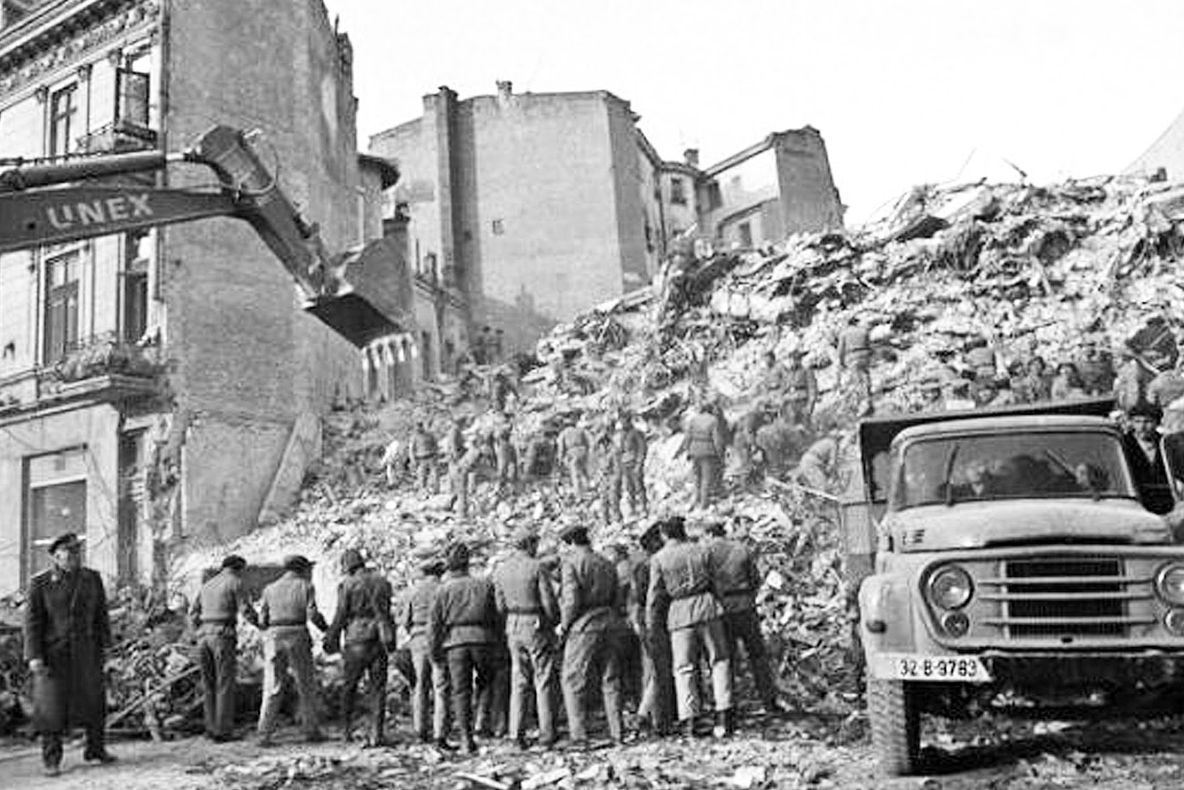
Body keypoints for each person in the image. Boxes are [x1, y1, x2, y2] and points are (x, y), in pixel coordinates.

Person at [25, 532, 115, 776]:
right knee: (51, 708)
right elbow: (33, 622)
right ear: (56, 556)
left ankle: (96, 750)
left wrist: (106, 647)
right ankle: (51, 759)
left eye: (77, 551)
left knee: (94, 702)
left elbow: (101, 616)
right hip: (54, 655)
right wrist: (34, 655)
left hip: (87, 652)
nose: (75, 556)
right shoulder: (41, 583)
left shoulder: (92, 579)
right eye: (69, 552)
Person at [646, 516, 733, 739]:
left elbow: (655, 595)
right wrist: (720, 604)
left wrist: (651, 622)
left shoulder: (659, 558)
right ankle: (724, 714)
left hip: (679, 613)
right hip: (707, 607)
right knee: (719, 660)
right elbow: (716, 582)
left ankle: (690, 720)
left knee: (684, 668)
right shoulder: (702, 550)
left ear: (665, 535)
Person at [428, 542, 500, 754]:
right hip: (483, 641)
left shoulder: (443, 590)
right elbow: (496, 617)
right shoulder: (484, 585)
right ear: (467, 562)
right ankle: (482, 723)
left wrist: (435, 653)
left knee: (461, 691)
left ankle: (467, 739)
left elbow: (434, 626)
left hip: (455, 643)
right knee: (486, 683)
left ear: (449, 566)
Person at [491, 527, 560, 750]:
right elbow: (549, 603)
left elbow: (499, 606)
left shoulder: (501, 570)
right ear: (530, 545)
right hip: (535, 624)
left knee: (518, 680)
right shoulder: (537, 567)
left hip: (513, 626)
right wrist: (553, 622)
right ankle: (547, 733)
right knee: (543, 678)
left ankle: (516, 734)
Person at [703, 522, 781, 715]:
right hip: (746, 605)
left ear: (709, 534)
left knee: (726, 658)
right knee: (757, 655)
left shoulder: (706, 553)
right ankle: (769, 701)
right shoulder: (741, 549)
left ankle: (729, 705)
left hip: (722, 609)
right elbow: (755, 579)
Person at [558, 523, 625, 746]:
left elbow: (571, 601)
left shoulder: (571, 564)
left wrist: (564, 626)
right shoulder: (606, 563)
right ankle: (617, 732)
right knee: (611, 677)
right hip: (609, 622)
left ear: (570, 543)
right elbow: (617, 598)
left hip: (583, 626)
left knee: (573, 679)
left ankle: (579, 735)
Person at [323, 549, 395, 746]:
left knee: (350, 687)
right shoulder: (382, 582)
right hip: (379, 639)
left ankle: (346, 731)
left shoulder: (347, 585)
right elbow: (387, 611)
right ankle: (376, 734)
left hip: (355, 640)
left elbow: (340, 614)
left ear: (347, 566)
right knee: (378, 688)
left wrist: (331, 637)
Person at [257, 555, 330, 746]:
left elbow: (262, 620)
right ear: (303, 569)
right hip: (297, 634)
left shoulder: (269, 589)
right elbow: (312, 614)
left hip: (274, 636)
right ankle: (311, 730)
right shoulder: (306, 586)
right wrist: (327, 630)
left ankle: (264, 733)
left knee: (272, 685)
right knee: (305, 684)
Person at [190, 554, 259, 742]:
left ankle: (210, 727)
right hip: (223, 635)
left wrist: (198, 632)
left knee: (209, 683)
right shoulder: (235, 582)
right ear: (239, 568)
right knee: (224, 683)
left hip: (203, 636)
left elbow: (193, 614)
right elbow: (246, 611)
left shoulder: (207, 585)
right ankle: (223, 731)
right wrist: (262, 625)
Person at [400, 547, 449, 745]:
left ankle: (420, 730)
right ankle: (440, 733)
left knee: (420, 684)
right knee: (441, 686)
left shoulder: (413, 591)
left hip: (418, 639)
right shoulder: (444, 589)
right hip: (440, 639)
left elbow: (405, 620)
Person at [631, 523, 675, 735]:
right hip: (655, 620)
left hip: (649, 620)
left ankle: (650, 715)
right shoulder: (651, 565)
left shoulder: (644, 564)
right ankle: (652, 717)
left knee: (653, 669)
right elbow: (645, 597)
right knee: (660, 669)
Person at [1122, 403, 1175, 515]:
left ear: (1157, 423)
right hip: (1134, 505)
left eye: (1148, 422)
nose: (1142, 427)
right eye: (1137, 422)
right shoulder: (1123, 444)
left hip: (1167, 505)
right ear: (1131, 423)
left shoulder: (1167, 444)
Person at [682, 400, 727, 509]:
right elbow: (717, 440)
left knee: (697, 477)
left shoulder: (693, 420)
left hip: (694, 450)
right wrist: (720, 454)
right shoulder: (713, 421)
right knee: (706, 478)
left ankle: (696, 499)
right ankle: (703, 504)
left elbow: (687, 437)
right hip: (708, 451)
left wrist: (687, 450)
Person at [616, 415, 649, 516]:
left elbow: (642, 449)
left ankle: (644, 507)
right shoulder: (622, 434)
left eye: (624, 420)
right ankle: (633, 509)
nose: (622, 423)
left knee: (639, 486)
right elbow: (621, 450)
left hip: (634, 463)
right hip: (625, 464)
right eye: (621, 420)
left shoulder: (636, 433)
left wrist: (639, 464)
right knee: (630, 488)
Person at [837, 316, 872, 408]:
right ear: (856, 323)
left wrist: (841, 362)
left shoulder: (844, 333)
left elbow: (840, 349)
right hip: (865, 354)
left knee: (857, 378)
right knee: (866, 374)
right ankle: (868, 394)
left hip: (852, 356)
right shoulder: (864, 331)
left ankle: (862, 401)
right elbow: (869, 345)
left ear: (848, 323)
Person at [781, 348, 818, 428]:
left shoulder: (806, 371)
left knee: (804, 428)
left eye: (796, 359)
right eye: (792, 359)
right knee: (791, 429)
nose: (793, 361)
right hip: (789, 405)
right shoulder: (787, 374)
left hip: (802, 403)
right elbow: (783, 391)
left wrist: (810, 406)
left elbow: (812, 389)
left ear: (800, 360)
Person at [557, 415, 592, 497]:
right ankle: (588, 487)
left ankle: (578, 493)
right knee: (584, 471)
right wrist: (587, 452)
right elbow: (588, 442)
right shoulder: (580, 430)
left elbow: (561, 448)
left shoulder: (564, 433)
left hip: (572, 453)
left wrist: (560, 459)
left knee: (575, 473)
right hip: (583, 452)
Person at [410, 422, 440, 494]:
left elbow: (435, 444)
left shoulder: (430, 434)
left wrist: (436, 453)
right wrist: (413, 460)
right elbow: (411, 449)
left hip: (431, 456)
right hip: (421, 459)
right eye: (416, 427)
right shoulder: (414, 437)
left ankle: (436, 490)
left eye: (419, 427)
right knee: (422, 476)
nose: (418, 428)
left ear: (422, 426)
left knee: (435, 474)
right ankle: (424, 490)